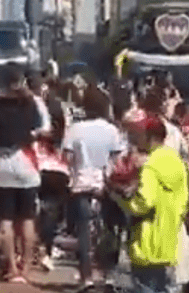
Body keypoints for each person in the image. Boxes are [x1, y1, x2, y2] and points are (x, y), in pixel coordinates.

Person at [0, 69, 44, 284]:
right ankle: (26, 266)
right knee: (27, 218)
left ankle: (11, 268)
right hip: (24, 161)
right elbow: (42, 129)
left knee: (5, 219)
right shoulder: (29, 104)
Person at [115, 118, 189, 293]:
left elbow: (143, 203)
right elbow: (184, 199)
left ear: (150, 137)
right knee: (162, 286)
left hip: (146, 240)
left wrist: (122, 201)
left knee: (145, 286)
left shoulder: (150, 166)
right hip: (169, 237)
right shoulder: (176, 161)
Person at [61, 85, 126, 285]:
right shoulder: (112, 130)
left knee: (83, 231)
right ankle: (105, 272)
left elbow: (67, 157)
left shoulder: (75, 129)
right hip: (105, 184)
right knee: (107, 228)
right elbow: (118, 158)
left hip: (81, 182)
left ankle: (85, 275)